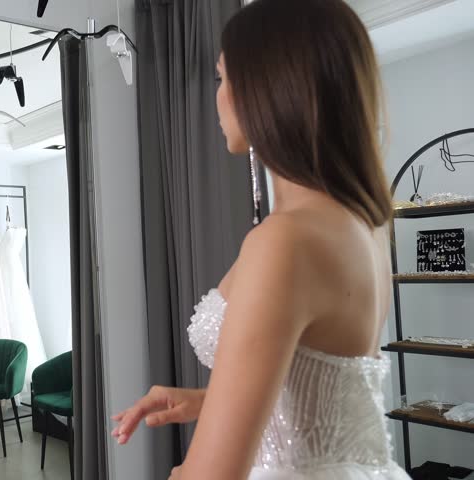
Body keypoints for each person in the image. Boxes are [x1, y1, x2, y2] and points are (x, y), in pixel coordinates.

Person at [112, 0, 410, 479]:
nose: (219, 95)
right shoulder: (362, 221)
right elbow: (325, 392)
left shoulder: (285, 241)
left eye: (223, 77)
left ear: (266, 90)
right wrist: (209, 401)